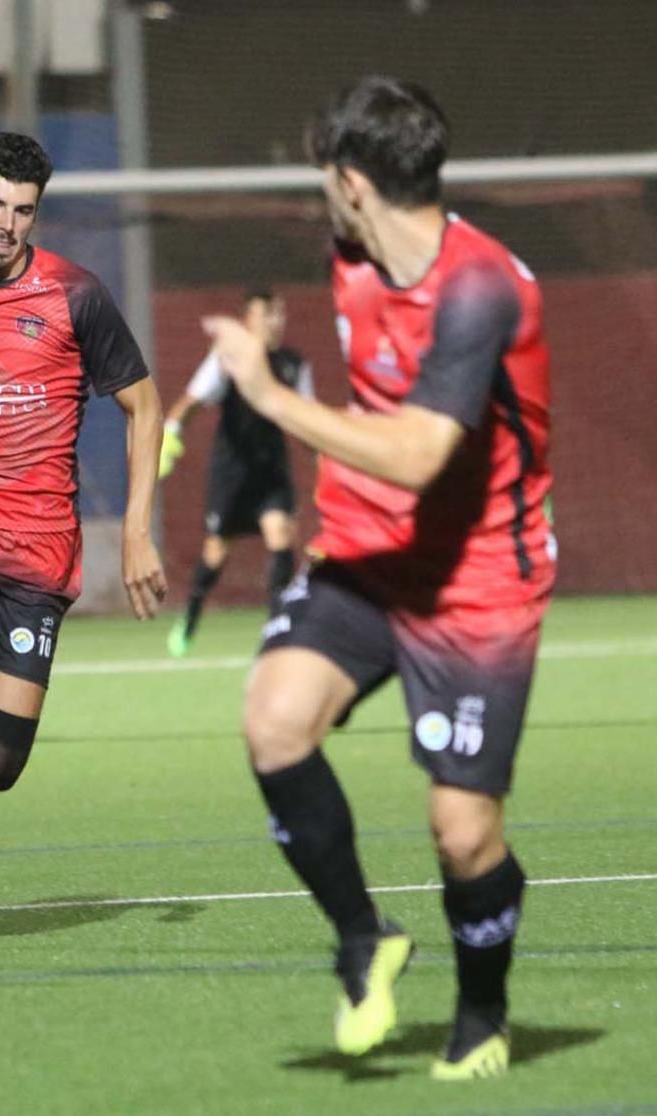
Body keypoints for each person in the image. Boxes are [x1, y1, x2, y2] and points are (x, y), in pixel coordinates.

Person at [204, 76, 554, 1079]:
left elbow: (414, 456)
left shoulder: (483, 288)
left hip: (477, 578)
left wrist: (269, 396)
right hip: (364, 556)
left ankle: (482, 1016)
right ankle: (364, 938)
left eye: (325, 175)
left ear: (351, 183)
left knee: (462, 831)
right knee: (274, 720)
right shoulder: (353, 252)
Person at [0, 132, 167, 950]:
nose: (6, 224)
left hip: (38, 552)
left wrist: (138, 534)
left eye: (23, 210)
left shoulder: (77, 296)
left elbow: (144, 408)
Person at [159, 288, 314, 656]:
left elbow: (310, 422)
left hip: (271, 472)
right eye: (267, 314)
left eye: (279, 313)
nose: (275, 321)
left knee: (280, 538)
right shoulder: (228, 359)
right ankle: (191, 620)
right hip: (231, 474)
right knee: (215, 554)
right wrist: (170, 434)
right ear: (248, 320)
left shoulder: (294, 365)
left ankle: (276, 628)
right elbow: (192, 400)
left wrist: (326, 462)